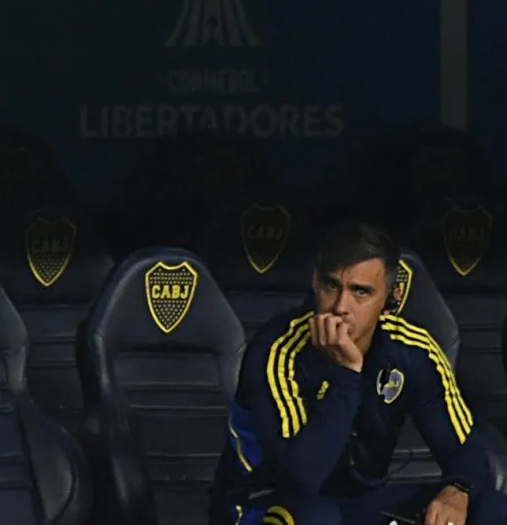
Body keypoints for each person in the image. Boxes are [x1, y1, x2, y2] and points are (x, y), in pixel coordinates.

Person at [210, 221, 507, 525]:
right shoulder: (277, 350)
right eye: (331, 286)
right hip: (263, 502)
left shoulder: (413, 350)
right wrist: (346, 373)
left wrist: (457, 490)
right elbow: (299, 478)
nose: (341, 306)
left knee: (491, 508)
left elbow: (466, 451)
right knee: (315, 517)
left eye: (360, 292)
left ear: (391, 298)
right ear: (314, 282)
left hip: (361, 505)